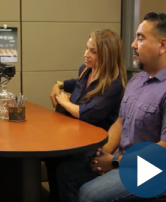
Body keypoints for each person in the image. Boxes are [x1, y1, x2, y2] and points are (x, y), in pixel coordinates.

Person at [56, 12, 166, 202]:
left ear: (162, 45)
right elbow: (121, 122)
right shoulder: (137, 80)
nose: (133, 44)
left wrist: (115, 162)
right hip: (126, 162)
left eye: (140, 38)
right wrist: (103, 154)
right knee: (67, 172)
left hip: (161, 173)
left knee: (91, 195)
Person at [46, 29, 128, 202]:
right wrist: (58, 84)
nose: (86, 54)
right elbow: (75, 84)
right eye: (86, 49)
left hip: (95, 145)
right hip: (75, 136)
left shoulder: (114, 84)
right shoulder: (86, 70)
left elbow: (87, 114)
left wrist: (65, 102)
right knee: (50, 158)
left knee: (65, 172)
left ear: (107, 55)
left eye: (93, 51)